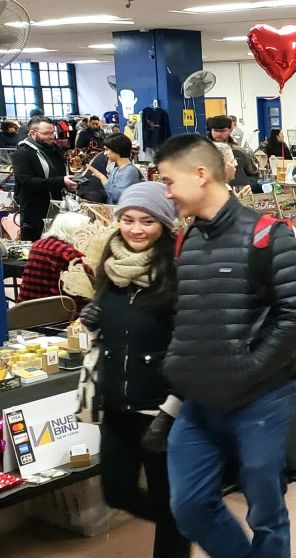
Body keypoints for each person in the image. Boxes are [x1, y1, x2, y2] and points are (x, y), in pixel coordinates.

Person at [155, 134, 296, 557]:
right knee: (189, 506)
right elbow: (185, 313)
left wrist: (249, 368)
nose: (167, 193)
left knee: (265, 512)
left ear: (200, 175)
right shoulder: (186, 240)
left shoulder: (269, 236)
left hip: (260, 402)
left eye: (168, 181)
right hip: (198, 403)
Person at [78, 182, 191, 558]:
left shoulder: (176, 278)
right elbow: (111, 336)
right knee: (117, 491)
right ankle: (185, 522)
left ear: (164, 226)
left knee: (168, 502)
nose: (136, 229)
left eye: (147, 220)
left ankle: (178, 529)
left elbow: (191, 350)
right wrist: (93, 321)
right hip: (116, 407)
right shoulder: (109, 272)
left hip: (161, 412)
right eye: (127, 219)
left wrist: (172, 409)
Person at [13, 116, 78, 240]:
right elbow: (27, 182)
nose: (51, 136)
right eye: (46, 133)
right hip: (35, 214)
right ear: (33, 133)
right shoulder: (22, 154)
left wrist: (71, 183)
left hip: (59, 210)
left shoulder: (55, 150)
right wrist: (61, 181)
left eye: (53, 132)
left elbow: (63, 172)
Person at [17, 212, 91, 304]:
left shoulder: (37, 245)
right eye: (86, 230)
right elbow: (90, 283)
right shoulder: (70, 253)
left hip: (25, 307)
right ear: (75, 231)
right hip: (57, 309)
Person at [86, 134, 143, 204]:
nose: (105, 153)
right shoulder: (116, 170)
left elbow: (117, 197)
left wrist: (102, 178)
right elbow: (110, 194)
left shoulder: (130, 171)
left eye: (107, 150)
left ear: (117, 149)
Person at [207, 115, 258, 191]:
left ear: (230, 130)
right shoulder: (204, 152)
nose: (218, 134)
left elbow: (253, 174)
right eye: (215, 130)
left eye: (223, 131)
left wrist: (246, 186)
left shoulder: (238, 152)